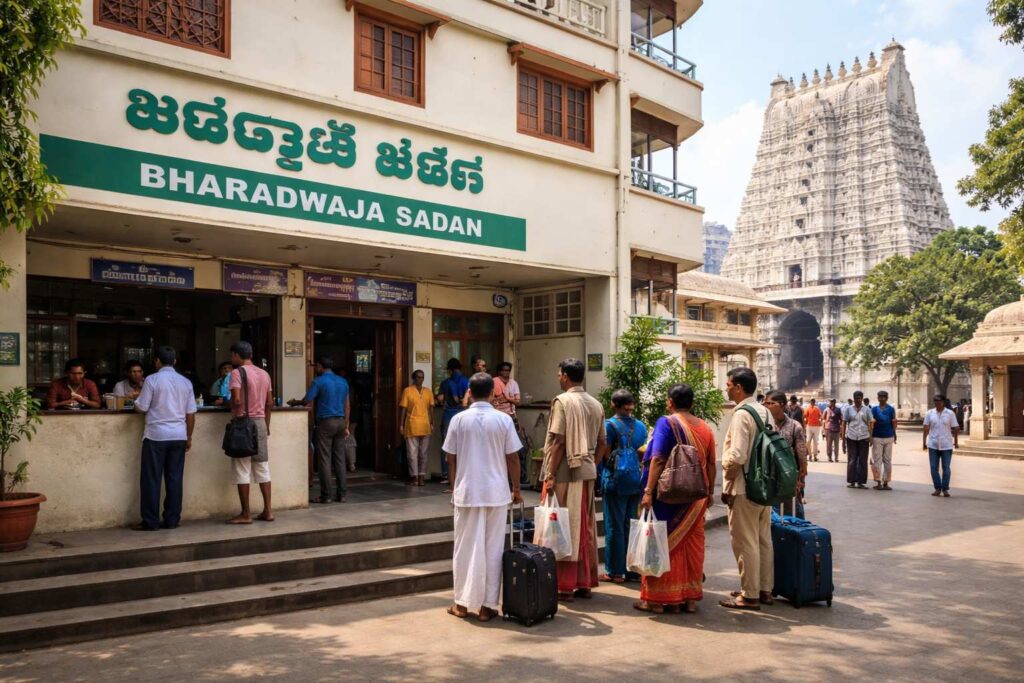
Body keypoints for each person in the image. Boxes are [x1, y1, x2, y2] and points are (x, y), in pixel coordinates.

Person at [443, 372, 523, 621]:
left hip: (467, 492)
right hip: (496, 492)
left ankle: (463, 603)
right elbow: (513, 457)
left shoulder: (458, 420)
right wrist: (517, 488)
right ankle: (488, 606)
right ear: (492, 393)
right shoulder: (503, 420)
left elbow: (451, 457)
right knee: (493, 548)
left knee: (465, 548)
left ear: (469, 391)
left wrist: (454, 487)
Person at [634, 383, 716, 615]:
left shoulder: (666, 423)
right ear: (691, 403)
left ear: (670, 401)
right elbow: (710, 464)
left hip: (667, 496)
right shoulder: (706, 428)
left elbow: (658, 458)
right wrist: (709, 494)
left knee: (661, 543)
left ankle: (658, 600)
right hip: (696, 499)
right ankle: (689, 599)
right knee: (692, 545)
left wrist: (648, 491)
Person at [541, 358, 607, 602]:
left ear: (566, 376)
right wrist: (592, 464)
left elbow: (558, 441)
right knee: (584, 526)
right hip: (587, 470)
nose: (558, 378)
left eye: (559, 374)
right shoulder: (596, 404)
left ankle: (565, 585)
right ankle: (584, 583)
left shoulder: (563, 402)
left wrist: (549, 474)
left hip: (565, 472)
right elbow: (603, 443)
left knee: (563, 527)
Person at [719, 367, 774, 610]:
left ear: (739, 387)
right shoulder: (765, 411)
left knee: (745, 541)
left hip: (743, 486)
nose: (726, 388)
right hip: (764, 486)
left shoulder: (742, 414)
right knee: (763, 539)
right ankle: (764, 589)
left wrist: (728, 483)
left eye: (729, 384)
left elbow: (738, 455)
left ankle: (749, 594)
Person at [132, 346, 196, 531]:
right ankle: (172, 519)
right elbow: (190, 414)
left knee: (151, 479)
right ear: (175, 361)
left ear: (157, 361)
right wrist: (189, 436)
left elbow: (142, 408)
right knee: (175, 479)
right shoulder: (186, 382)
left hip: (156, 436)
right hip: (179, 435)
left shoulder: (152, 380)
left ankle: (150, 521)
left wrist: (135, 402)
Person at [600, 389, 648, 586]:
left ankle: (615, 571)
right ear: (631, 404)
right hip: (635, 480)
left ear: (613, 404)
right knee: (632, 524)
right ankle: (633, 570)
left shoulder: (609, 426)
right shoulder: (640, 426)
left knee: (614, 525)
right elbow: (643, 451)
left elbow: (605, 454)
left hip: (615, 481)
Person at [290, 357, 350, 503]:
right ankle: (342, 494)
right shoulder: (343, 381)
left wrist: (294, 402)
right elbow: (347, 406)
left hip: (326, 422)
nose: (315, 368)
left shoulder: (319, 381)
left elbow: (307, 400)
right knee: (340, 459)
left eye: (316, 366)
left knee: (324, 459)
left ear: (321, 366)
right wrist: (346, 425)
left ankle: (326, 495)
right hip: (341, 422)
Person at [227, 341, 274, 524]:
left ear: (237, 355)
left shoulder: (237, 373)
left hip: (243, 425)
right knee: (262, 467)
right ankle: (268, 511)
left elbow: (237, 400)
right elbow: (269, 403)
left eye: (232, 355)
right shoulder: (264, 373)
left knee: (242, 468)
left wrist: (226, 404)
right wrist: (266, 425)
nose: (232, 359)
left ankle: (246, 514)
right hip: (260, 423)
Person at [763, 390, 807, 518]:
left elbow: (802, 456)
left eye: (771, 403)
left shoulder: (795, 427)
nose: (767, 406)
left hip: (788, 479)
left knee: (791, 515)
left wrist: (800, 480)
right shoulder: (763, 426)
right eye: (765, 403)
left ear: (782, 405)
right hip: (767, 478)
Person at [492, 362, 529, 487]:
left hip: (511, 417)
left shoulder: (513, 383)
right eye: (503, 370)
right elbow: (492, 399)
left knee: (515, 448)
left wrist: (507, 399)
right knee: (499, 448)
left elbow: (517, 401)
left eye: (508, 370)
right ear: (499, 371)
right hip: (497, 418)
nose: (506, 372)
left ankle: (515, 478)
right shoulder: (494, 382)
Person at [437, 358, 469, 486]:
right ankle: (461, 474)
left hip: (449, 415)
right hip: (463, 414)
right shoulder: (466, 381)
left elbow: (440, 399)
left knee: (447, 445)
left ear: (449, 369)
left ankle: (446, 474)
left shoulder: (446, 382)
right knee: (463, 444)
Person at [400, 369, 434, 486]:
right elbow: (403, 408)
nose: (420, 379)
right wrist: (401, 424)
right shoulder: (408, 391)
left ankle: (421, 477)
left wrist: (432, 422)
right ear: (413, 378)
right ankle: (414, 477)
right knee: (412, 453)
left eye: (422, 377)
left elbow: (431, 408)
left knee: (423, 453)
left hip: (425, 425)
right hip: (411, 425)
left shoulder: (428, 392)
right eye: (418, 377)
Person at [923, 394, 959, 497]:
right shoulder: (929, 413)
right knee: (933, 468)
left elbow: (956, 428)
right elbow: (925, 428)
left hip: (946, 445)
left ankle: (945, 488)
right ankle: (937, 488)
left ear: (943, 402)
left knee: (946, 468)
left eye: (939, 401)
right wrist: (924, 443)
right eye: (935, 401)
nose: (937, 403)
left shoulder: (950, 414)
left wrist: (956, 442)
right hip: (933, 444)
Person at [841, 390, 874, 489]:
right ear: (853, 399)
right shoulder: (848, 409)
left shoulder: (867, 410)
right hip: (851, 437)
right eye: (856, 398)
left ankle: (861, 482)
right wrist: (843, 439)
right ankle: (851, 481)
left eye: (859, 398)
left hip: (864, 437)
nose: (858, 400)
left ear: (862, 398)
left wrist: (871, 437)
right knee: (852, 460)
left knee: (863, 460)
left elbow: (870, 423)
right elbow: (844, 423)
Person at [870, 390, 898, 491]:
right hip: (877, 437)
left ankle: (886, 482)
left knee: (887, 460)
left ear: (887, 398)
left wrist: (895, 434)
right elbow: (871, 424)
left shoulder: (891, 409)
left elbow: (894, 422)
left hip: (889, 436)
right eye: (880, 396)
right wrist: (870, 437)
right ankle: (878, 482)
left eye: (883, 397)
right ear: (877, 398)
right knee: (877, 459)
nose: (881, 398)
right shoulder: (874, 409)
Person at [823, 398, 843, 462]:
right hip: (828, 429)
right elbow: (823, 419)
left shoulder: (838, 410)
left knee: (836, 445)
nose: (831, 403)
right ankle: (829, 457)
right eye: (830, 402)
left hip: (836, 429)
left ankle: (836, 457)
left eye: (832, 402)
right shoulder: (826, 410)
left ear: (834, 402)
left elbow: (841, 419)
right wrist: (823, 430)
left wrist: (840, 427)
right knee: (829, 445)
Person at [804, 397, 822, 462]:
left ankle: (815, 455)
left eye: (813, 401)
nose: (812, 402)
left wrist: (819, 421)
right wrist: (805, 423)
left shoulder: (817, 408)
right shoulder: (807, 408)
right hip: (809, 426)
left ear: (814, 402)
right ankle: (810, 455)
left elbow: (820, 416)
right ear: (810, 402)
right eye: (811, 401)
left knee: (815, 442)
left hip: (816, 426)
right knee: (808, 441)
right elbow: (805, 416)